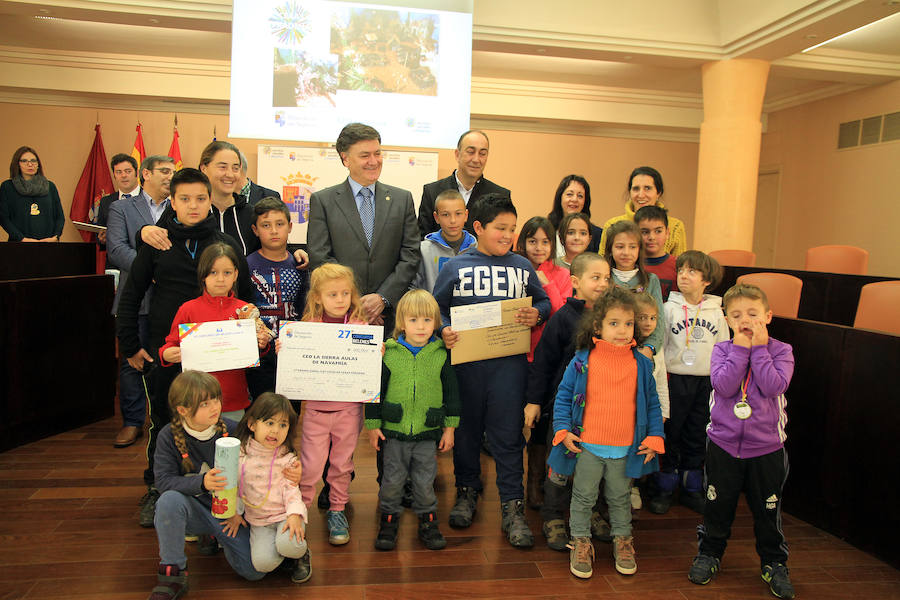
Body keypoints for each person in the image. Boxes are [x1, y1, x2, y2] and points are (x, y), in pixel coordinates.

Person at [116, 168, 254, 528]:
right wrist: (130, 345)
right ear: (171, 201)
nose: (193, 206)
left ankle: (220, 496)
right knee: (165, 422)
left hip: (223, 362)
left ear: (210, 200)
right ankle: (160, 490)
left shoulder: (224, 243)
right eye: (184, 199)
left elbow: (248, 300)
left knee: (220, 429)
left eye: (200, 198)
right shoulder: (157, 241)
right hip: (171, 353)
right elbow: (130, 296)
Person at [432, 193, 551, 549]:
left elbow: (542, 300)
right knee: (467, 433)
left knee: (508, 437)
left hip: (509, 370)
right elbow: (437, 307)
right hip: (466, 369)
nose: (507, 236)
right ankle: (466, 491)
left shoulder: (522, 266)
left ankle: (512, 506)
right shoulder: (455, 266)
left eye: (512, 229)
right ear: (479, 227)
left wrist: (538, 314)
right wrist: (445, 329)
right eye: (500, 228)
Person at [547, 286, 665, 578]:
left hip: (625, 448)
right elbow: (563, 397)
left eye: (628, 324)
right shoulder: (583, 360)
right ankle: (581, 541)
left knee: (620, 498)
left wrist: (654, 437)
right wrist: (563, 430)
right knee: (584, 497)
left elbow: (652, 405)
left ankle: (623, 541)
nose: (622, 330)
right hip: (587, 446)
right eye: (614, 324)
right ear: (598, 326)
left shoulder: (640, 363)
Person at [688, 283, 795, 600]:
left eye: (753, 313)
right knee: (717, 505)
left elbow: (774, 385)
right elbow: (723, 386)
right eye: (736, 315)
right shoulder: (723, 350)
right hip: (723, 445)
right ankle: (709, 553)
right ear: (727, 320)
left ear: (768, 316)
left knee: (767, 510)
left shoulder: (781, 350)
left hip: (767, 449)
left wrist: (759, 349)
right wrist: (742, 349)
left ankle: (774, 562)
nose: (745, 320)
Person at [149, 370, 264, 599]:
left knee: (253, 572)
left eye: (216, 399)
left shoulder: (233, 430)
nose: (214, 407)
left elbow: (254, 474)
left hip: (228, 513)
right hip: (195, 509)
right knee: (168, 501)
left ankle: (215, 537)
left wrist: (238, 511)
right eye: (204, 403)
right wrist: (202, 482)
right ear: (182, 410)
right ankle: (173, 573)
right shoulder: (168, 436)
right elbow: (162, 481)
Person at [524, 253, 611, 550]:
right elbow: (544, 363)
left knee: (595, 464)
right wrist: (534, 402)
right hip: (565, 410)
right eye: (595, 277)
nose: (602, 283)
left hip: (601, 410)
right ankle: (552, 514)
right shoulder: (563, 318)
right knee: (561, 463)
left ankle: (591, 511)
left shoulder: (611, 319)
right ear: (575, 282)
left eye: (606, 278)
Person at [366, 289, 460, 551]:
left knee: (424, 481)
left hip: (427, 433)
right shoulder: (389, 353)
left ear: (436, 323)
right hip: (393, 432)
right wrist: (373, 427)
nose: (421, 326)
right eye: (414, 320)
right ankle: (388, 522)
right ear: (401, 323)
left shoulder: (441, 354)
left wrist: (450, 429)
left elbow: (452, 395)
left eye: (428, 321)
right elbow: (375, 391)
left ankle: (428, 523)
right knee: (392, 481)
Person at [307, 123, 420, 335]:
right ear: (345, 159)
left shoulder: (401, 199)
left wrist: (382, 298)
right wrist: (355, 301)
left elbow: (411, 255)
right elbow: (320, 257)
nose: (374, 161)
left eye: (378, 153)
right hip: (342, 318)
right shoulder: (323, 201)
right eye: (365, 155)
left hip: (391, 318)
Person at [292, 263, 367, 545]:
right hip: (316, 411)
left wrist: (375, 352)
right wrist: (287, 351)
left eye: (345, 293)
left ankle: (337, 509)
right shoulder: (308, 329)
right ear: (318, 298)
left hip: (349, 411)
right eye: (333, 294)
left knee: (341, 464)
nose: (339, 300)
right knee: (310, 467)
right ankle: (299, 512)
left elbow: (367, 370)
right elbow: (296, 366)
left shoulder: (361, 328)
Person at [650, 250, 729, 515]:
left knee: (697, 434)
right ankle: (664, 487)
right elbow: (659, 347)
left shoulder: (716, 312)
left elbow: (724, 350)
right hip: (675, 381)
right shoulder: (667, 308)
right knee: (671, 434)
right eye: (681, 270)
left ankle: (691, 487)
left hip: (705, 383)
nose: (684, 275)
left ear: (707, 280)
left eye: (692, 271)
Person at [159, 242, 271, 421]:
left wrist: (262, 344)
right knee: (197, 446)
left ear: (235, 274)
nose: (220, 279)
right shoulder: (188, 309)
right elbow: (170, 344)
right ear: (203, 275)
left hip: (233, 399)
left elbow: (258, 348)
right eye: (213, 272)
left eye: (227, 273)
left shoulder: (245, 310)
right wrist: (166, 353)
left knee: (231, 446)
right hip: (196, 401)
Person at [105, 155, 173, 448]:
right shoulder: (121, 208)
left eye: (173, 171)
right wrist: (152, 270)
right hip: (136, 299)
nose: (170, 176)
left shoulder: (178, 207)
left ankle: (169, 421)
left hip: (169, 300)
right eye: (164, 171)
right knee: (132, 361)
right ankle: (132, 422)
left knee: (166, 361)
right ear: (146, 174)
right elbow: (117, 250)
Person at [234, 392, 311, 584]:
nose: (275, 431)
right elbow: (233, 488)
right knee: (262, 565)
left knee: (291, 546)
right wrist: (233, 513)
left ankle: (300, 554)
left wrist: (294, 515)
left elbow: (292, 491)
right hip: (258, 521)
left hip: (285, 517)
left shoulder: (287, 458)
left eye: (283, 425)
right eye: (269, 423)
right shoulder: (239, 454)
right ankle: (283, 552)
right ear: (252, 425)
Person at [245, 197, 309, 400]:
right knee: (260, 406)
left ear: (290, 227)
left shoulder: (300, 265)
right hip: (259, 350)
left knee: (291, 408)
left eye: (279, 224)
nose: (274, 231)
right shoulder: (247, 264)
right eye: (266, 225)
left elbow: (304, 306)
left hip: (292, 350)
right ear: (255, 230)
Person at [418, 130, 509, 238]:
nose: (476, 159)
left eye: (482, 154)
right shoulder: (432, 191)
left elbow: (504, 241)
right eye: (470, 152)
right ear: (457, 154)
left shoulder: (500, 196)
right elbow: (422, 238)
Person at [631, 292, 671, 511]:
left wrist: (664, 412)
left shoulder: (657, 348)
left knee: (641, 450)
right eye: (642, 317)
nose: (648, 323)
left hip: (649, 413)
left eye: (653, 318)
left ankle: (634, 486)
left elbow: (662, 383)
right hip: (627, 411)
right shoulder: (626, 345)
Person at [603, 220, 665, 357]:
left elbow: (659, 320)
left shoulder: (651, 280)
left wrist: (650, 347)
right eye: (620, 247)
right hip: (609, 350)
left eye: (632, 247)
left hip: (644, 351)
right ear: (610, 249)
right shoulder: (604, 279)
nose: (626, 252)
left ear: (639, 250)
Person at [598, 166, 687, 257]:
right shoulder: (612, 225)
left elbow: (680, 266)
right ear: (630, 192)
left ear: (658, 193)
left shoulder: (675, 227)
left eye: (647, 188)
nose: (641, 195)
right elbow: (602, 261)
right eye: (636, 189)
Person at [413, 189, 477, 293]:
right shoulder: (423, 251)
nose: (453, 220)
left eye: (458, 214)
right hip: (433, 308)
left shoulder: (478, 249)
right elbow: (413, 289)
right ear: (436, 217)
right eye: (445, 215)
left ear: (466, 215)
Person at [0, 146, 64, 242]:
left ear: (38, 164)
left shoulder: (50, 186)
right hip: (18, 245)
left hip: (48, 245)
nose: (30, 164)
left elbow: (59, 217)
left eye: (33, 161)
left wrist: (55, 237)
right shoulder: (8, 187)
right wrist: (22, 239)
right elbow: (3, 218)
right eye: (24, 161)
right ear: (17, 164)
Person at [93, 153, 141, 248]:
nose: (123, 175)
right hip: (115, 260)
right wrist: (102, 239)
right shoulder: (106, 202)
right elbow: (99, 232)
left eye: (128, 171)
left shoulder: (149, 198)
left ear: (137, 173)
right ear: (114, 175)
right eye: (119, 172)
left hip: (143, 258)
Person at [547, 175, 602, 255]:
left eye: (580, 196)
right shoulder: (547, 230)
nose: (574, 199)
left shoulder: (597, 235)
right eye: (569, 194)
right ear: (560, 198)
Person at [635, 205, 678, 301]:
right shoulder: (630, 266)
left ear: (667, 233)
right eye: (645, 232)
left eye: (658, 231)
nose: (652, 237)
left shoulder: (678, 267)